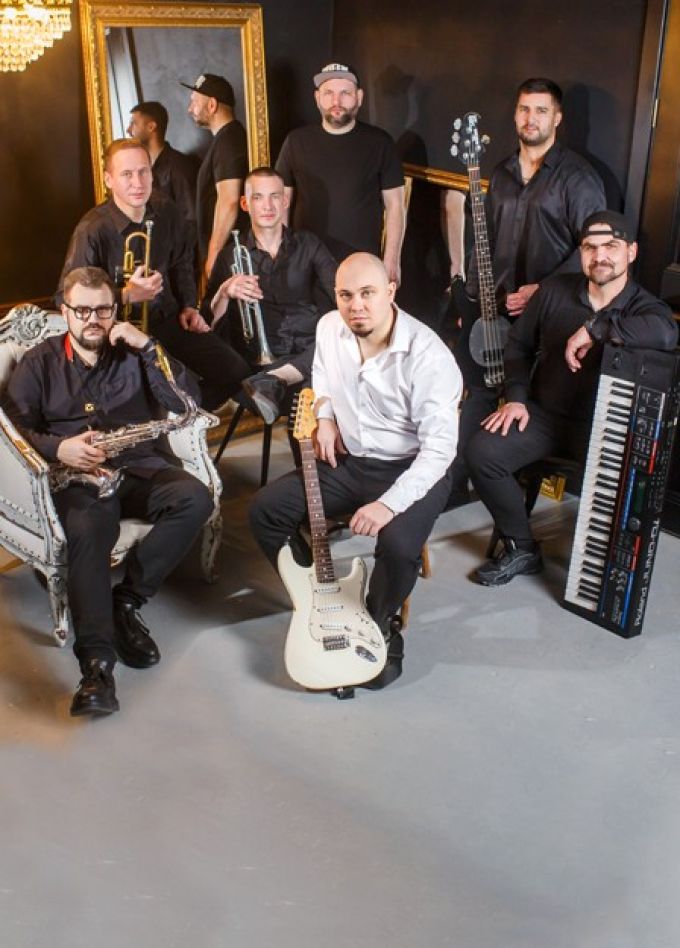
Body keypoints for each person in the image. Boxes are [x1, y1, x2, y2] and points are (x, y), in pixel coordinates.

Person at [3, 267, 214, 716]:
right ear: (65, 311)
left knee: (195, 498)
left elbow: (186, 402)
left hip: (137, 466)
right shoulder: (39, 362)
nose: (92, 319)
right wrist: (59, 447)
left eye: (102, 310)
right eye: (82, 310)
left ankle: (128, 600)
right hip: (76, 477)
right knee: (88, 532)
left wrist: (149, 347)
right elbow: (12, 432)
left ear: (115, 310)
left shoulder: (134, 353)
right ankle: (97, 668)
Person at [249, 253, 463, 688]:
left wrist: (388, 506)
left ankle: (380, 620)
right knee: (265, 510)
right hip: (349, 462)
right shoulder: (330, 326)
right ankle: (316, 592)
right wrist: (325, 416)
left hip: (412, 469)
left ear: (390, 292)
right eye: (346, 295)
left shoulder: (428, 356)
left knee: (399, 546)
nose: (356, 306)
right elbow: (322, 375)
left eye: (367, 293)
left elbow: (440, 451)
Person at [465, 211, 678, 586]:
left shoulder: (644, 307)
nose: (600, 256)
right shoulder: (554, 291)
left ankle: (599, 564)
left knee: (624, 483)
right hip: (543, 416)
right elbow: (518, 346)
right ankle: (522, 547)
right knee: (482, 452)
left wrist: (596, 329)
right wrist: (516, 398)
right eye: (590, 248)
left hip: (601, 429)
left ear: (631, 252)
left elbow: (665, 334)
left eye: (611, 246)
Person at [450, 77, 607, 500]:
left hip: (550, 319)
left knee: (528, 406)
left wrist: (544, 289)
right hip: (497, 310)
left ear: (557, 118)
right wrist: (475, 300)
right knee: (478, 395)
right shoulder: (501, 173)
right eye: (524, 109)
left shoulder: (578, 178)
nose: (531, 118)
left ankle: (513, 498)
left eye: (541, 110)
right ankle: (456, 482)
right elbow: (484, 238)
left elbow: (594, 250)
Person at [56, 138, 250, 410]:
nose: (137, 182)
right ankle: (168, 412)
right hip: (118, 336)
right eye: (127, 174)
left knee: (234, 370)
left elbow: (182, 264)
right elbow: (63, 299)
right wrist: (126, 295)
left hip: (168, 324)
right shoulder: (92, 229)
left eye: (143, 172)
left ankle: (181, 415)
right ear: (109, 180)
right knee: (137, 398)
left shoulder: (166, 211)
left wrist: (188, 306)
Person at [204, 166, 337, 423]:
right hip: (262, 360)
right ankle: (273, 380)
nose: (268, 206)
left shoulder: (308, 244)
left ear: (285, 201)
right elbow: (207, 323)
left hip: (311, 348)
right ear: (245, 204)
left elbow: (339, 289)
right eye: (258, 197)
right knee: (314, 389)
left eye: (275, 196)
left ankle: (274, 381)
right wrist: (225, 292)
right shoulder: (231, 255)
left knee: (336, 341)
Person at [275, 63, 405, 284]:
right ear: (317, 98)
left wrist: (392, 259)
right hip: (306, 264)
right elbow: (282, 202)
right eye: (328, 93)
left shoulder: (380, 143)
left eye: (345, 93)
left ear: (359, 97)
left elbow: (395, 206)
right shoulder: (295, 141)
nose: (336, 101)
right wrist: (281, 254)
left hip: (362, 264)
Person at [183, 72, 248, 279]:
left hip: (228, 257)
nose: (190, 109)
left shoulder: (229, 140)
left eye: (194, 102)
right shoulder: (225, 139)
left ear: (212, 105)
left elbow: (229, 200)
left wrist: (213, 255)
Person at [127, 100, 198, 242]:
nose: (128, 130)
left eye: (133, 123)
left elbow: (191, 223)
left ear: (151, 127)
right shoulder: (143, 169)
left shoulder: (179, 166)